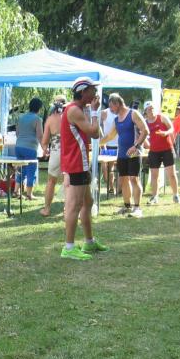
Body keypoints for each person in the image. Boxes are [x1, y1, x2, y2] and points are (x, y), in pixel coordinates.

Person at [59, 77, 108, 260]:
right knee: (74, 206)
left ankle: (89, 241)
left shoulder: (78, 109)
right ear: (83, 91)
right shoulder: (74, 110)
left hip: (80, 163)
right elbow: (94, 133)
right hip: (76, 163)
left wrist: (91, 111)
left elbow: (95, 132)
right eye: (92, 90)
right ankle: (69, 247)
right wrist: (94, 112)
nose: (95, 93)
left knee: (88, 203)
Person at [102, 93, 149, 217]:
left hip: (134, 153)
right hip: (122, 153)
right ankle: (127, 206)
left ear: (117, 104)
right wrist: (97, 143)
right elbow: (110, 136)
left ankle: (137, 208)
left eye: (112, 107)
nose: (111, 110)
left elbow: (145, 130)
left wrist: (136, 146)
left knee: (134, 178)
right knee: (123, 179)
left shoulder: (133, 114)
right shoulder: (116, 119)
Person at [143, 101, 180, 204]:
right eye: (149, 109)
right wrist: (147, 144)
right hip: (154, 151)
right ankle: (154, 197)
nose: (151, 110)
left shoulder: (162, 117)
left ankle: (176, 195)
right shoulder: (145, 123)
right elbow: (142, 134)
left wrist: (166, 133)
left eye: (152, 108)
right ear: (145, 112)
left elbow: (172, 128)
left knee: (171, 174)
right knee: (154, 175)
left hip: (167, 149)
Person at [40, 96, 65, 216]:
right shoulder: (70, 116)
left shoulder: (50, 119)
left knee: (51, 181)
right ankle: (67, 210)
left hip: (56, 152)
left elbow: (44, 141)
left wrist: (45, 150)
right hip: (70, 152)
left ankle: (47, 209)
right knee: (68, 182)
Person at [14, 97, 44, 200]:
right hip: (30, 148)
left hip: (18, 147)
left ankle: (16, 191)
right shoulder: (37, 119)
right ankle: (29, 194)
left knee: (20, 169)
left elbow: (17, 133)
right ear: (39, 108)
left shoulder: (21, 117)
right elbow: (40, 136)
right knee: (31, 170)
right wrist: (44, 148)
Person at [99, 105, 119, 195]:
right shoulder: (104, 112)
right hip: (106, 144)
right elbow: (97, 125)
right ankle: (110, 187)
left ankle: (116, 188)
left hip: (118, 144)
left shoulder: (121, 112)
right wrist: (102, 139)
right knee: (106, 167)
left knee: (113, 167)